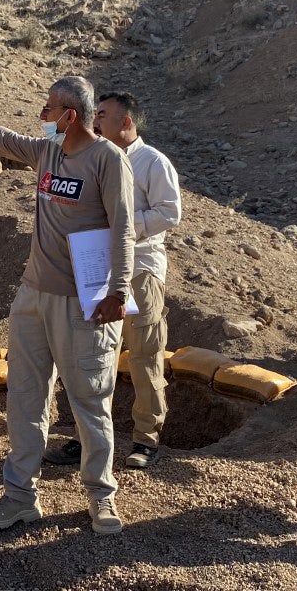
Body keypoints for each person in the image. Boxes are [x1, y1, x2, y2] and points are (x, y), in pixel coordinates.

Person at [0, 75, 135, 535]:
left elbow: (123, 230)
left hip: (84, 303)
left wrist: (117, 292)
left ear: (69, 116)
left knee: (90, 401)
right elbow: (2, 139)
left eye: (48, 109)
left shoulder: (108, 161)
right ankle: (20, 496)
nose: (42, 116)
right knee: (25, 399)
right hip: (33, 297)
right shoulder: (47, 153)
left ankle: (101, 497)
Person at [44, 92, 181, 469]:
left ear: (126, 122)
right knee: (93, 356)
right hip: (97, 272)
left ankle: (146, 439)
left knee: (144, 355)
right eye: (94, 114)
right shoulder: (94, 158)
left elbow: (170, 213)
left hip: (140, 270)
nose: (96, 121)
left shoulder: (153, 162)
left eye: (102, 115)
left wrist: (121, 230)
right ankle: (84, 438)